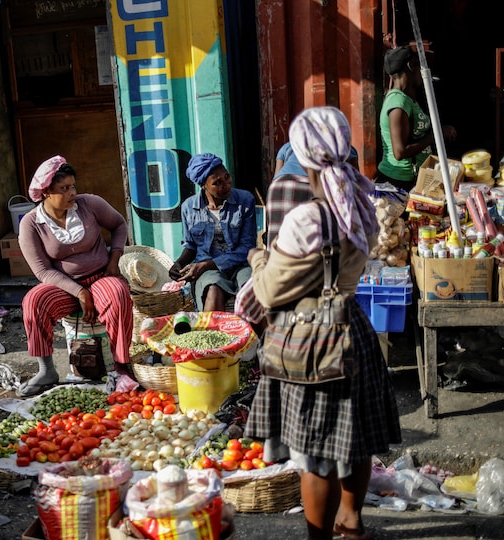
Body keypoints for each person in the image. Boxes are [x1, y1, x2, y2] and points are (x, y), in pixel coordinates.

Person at [244, 107, 401, 540]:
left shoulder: (306, 218)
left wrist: (258, 257)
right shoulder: (363, 203)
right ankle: (351, 519)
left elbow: (270, 292)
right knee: (356, 440)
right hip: (353, 328)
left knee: (315, 455)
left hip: (313, 339)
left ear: (303, 155)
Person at [16, 155, 133, 397]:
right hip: (64, 286)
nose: (72, 193)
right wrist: (79, 292)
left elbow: (119, 224)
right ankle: (47, 370)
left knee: (118, 294)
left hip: (101, 276)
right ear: (46, 192)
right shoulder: (31, 224)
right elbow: (42, 270)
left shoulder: (89, 204)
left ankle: (121, 366)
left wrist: (114, 258)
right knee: (33, 301)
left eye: (73, 186)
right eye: (64, 188)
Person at [168, 153, 256, 312]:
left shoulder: (245, 200)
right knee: (213, 290)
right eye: (217, 183)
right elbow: (191, 246)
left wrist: (206, 264)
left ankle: (253, 329)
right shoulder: (188, 207)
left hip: (240, 265)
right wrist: (179, 264)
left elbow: (247, 248)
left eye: (227, 177)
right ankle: (212, 328)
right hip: (208, 271)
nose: (226, 185)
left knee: (249, 290)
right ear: (203, 185)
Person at [377, 45, 456, 191]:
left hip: (411, 179)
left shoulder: (407, 99)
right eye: (420, 66)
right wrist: (437, 134)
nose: (423, 72)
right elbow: (400, 152)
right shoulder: (398, 102)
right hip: (399, 182)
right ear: (411, 66)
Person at [268, 143, 360, 243]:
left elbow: (277, 176)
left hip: (283, 186)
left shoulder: (288, 146)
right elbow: (356, 183)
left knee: (280, 238)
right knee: (321, 238)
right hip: (320, 185)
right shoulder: (345, 146)